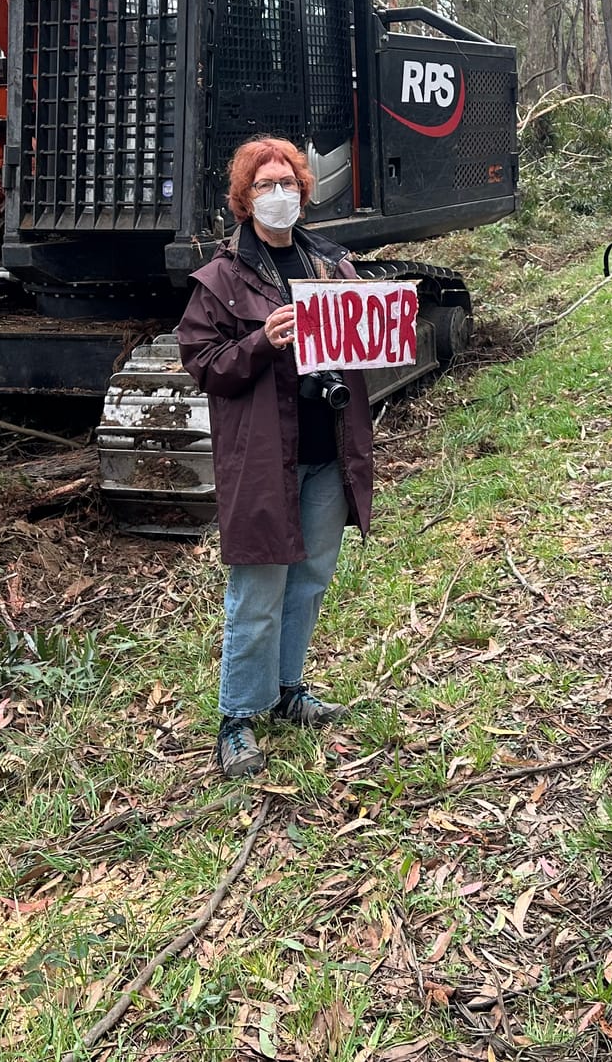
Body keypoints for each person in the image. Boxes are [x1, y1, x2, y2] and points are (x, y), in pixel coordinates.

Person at [176, 137, 375, 779]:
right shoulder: (222, 278)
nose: (279, 192)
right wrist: (262, 342)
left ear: (304, 188)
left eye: (287, 180)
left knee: (310, 579)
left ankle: (288, 691)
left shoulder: (330, 262)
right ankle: (237, 717)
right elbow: (204, 365)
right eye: (264, 184)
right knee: (258, 587)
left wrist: (385, 316)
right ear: (244, 197)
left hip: (326, 447)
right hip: (265, 455)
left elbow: (361, 339)